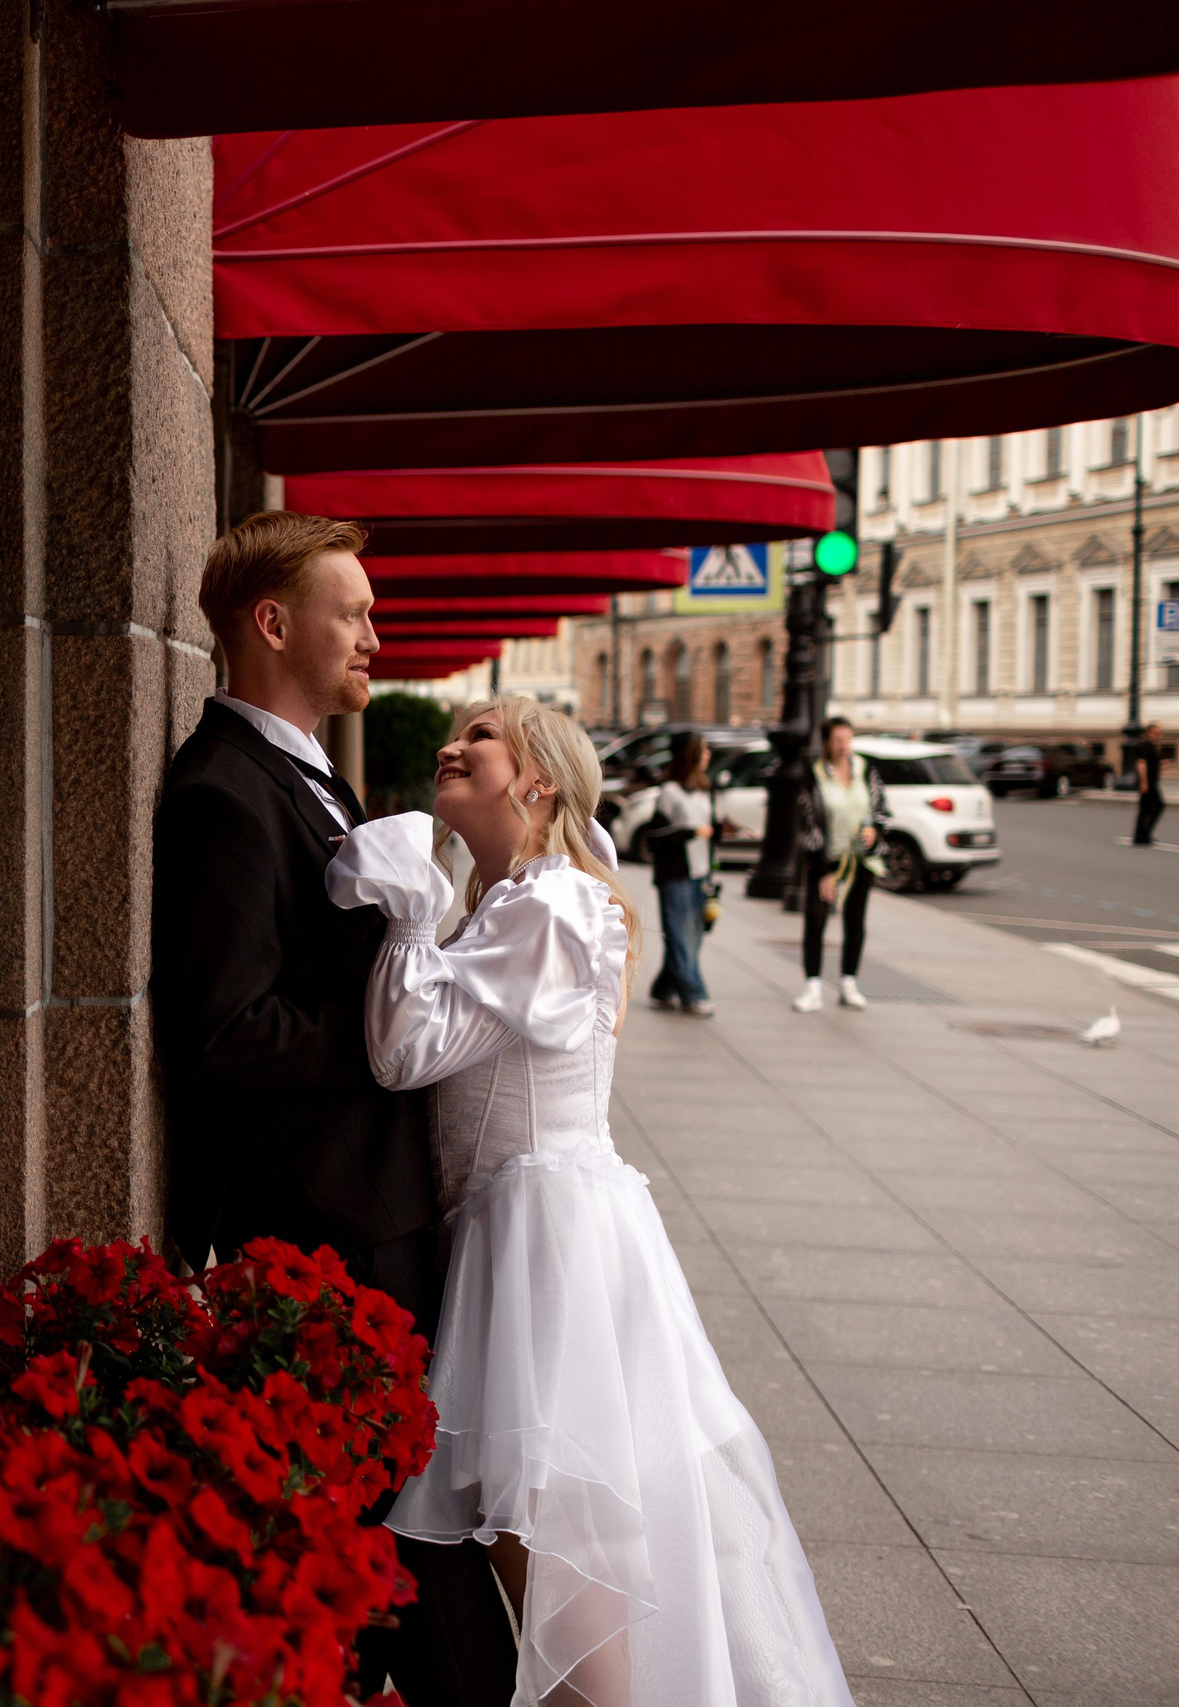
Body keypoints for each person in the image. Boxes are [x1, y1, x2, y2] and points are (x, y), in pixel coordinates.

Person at [328, 697, 856, 1707]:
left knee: (550, 1526)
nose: (453, 743)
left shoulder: (550, 903)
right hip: (526, 1228)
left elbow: (403, 1052)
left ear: (538, 783)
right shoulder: (515, 899)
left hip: (542, 1238)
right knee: (536, 1522)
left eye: (482, 735)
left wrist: (401, 910)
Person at [152, 510, 517, 1707]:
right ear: (272, 625)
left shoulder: (319, 778)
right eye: (350, 612)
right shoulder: (221, 791)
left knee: (412, 1522)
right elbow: (219, 1031)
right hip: (323, 1226)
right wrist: (388, 1041)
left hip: (375, 1211)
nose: (373, 633)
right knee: (399, 1531)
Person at [793, 717, 888, 1013]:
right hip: (828, 862)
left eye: (848, 738)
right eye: (838, 740)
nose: (844, 745)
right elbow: (807, 822)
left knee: (855, 921)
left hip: (861, 860)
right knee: (816, 920)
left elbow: (881, 810)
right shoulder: (815, 775)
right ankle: (812, 987)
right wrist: (822, 870)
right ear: (827, 743)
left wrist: (875, 832)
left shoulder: (866, 770)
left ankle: (849, 983)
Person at [644, 730, 718, 1017]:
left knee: (692, 937)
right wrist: (690, 832)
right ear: (690, 754)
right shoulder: (669, 792)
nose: (708, 754)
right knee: (681, 936)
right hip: (675, 875)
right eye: (704, 749)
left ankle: (663, 989)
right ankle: (694, 994)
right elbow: (657, 836)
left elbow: (710, 826)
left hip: (700, 872)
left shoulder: (703, 789)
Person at [1130, 721, 1165, 848]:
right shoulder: (1145, 745)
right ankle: (1141, 834)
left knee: (1148, 808)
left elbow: (1151, 763)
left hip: (1152, 783)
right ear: (1150, 732)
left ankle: (1143, 834)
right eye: (1157, 732)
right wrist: (1144, 783)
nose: (1160, 735)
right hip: (1148, 783)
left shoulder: (1152, 746)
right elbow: (1141, 763)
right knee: (1152, 807)